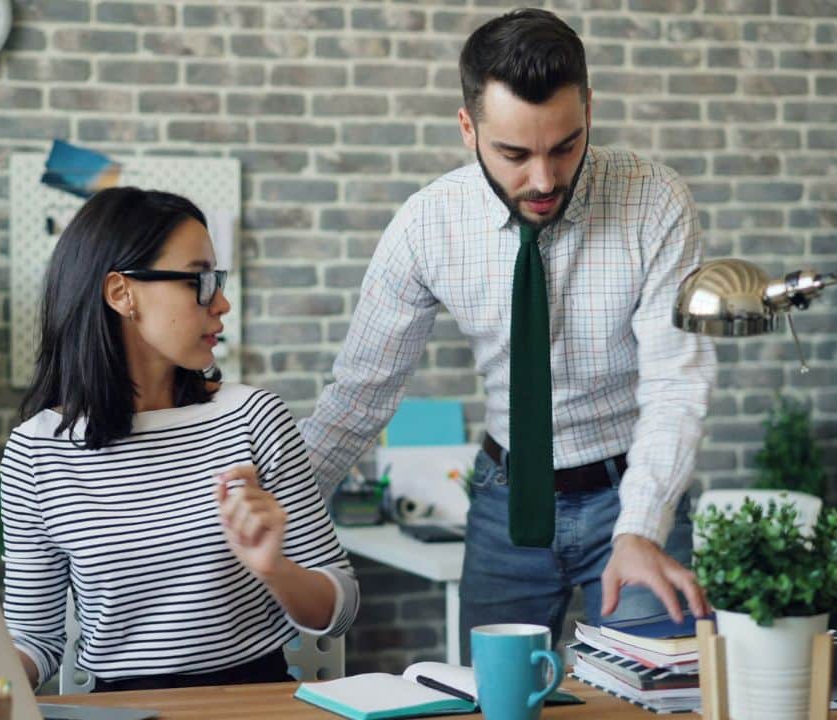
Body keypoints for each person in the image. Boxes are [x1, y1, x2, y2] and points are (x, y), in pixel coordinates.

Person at [300, 8, 715, 653]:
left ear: (588, 110)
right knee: (496, 702)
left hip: (631, 493)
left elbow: (675, 383)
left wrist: (641, 527)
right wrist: (281, 510)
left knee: (660, 693)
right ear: (468, 129)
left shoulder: (654, 200)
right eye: (515, 154)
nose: (544, 180)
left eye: (565, 146)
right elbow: (359, 396)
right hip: (505, 499)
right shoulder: (427, 226)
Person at [1, 187, 358, 692]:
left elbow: (339, 607)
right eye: (201, 281)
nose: (222, 302)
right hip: (121, 710)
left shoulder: (253, 418)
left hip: (251, 704)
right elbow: (34, 640)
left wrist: (275, 568)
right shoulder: (36, 451)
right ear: (121, 293)